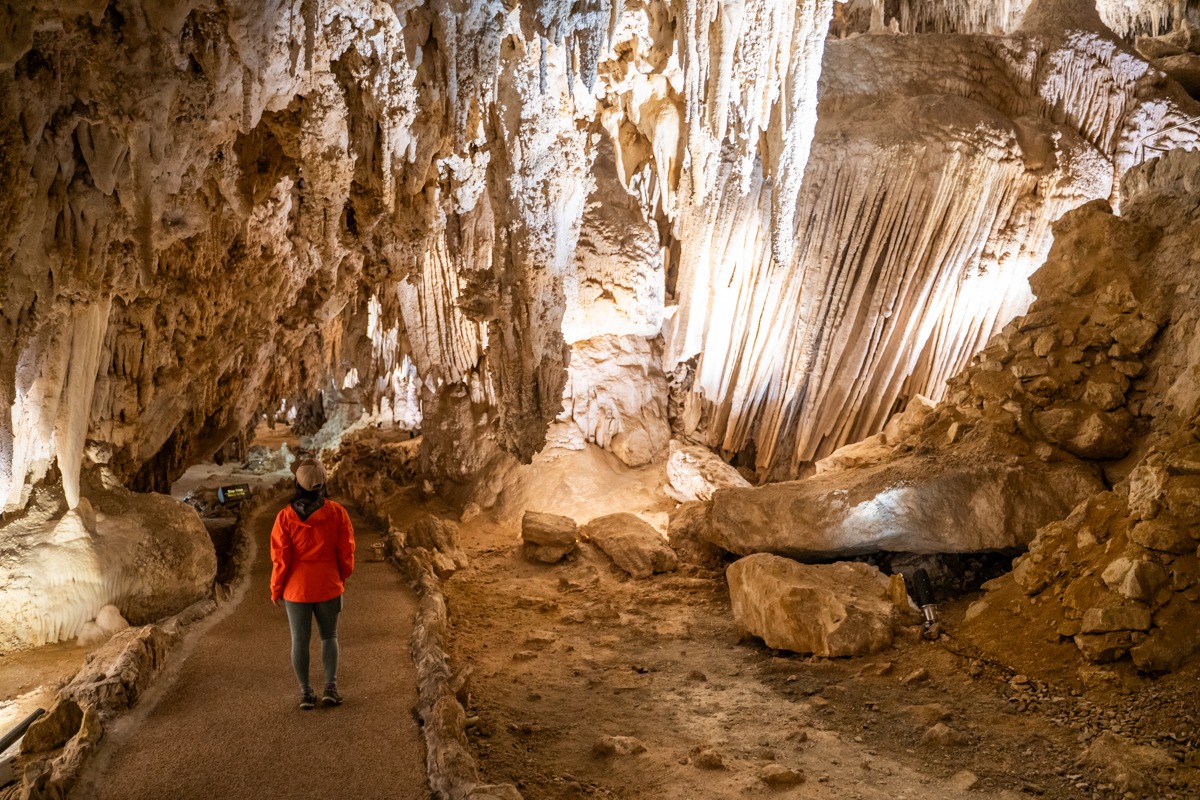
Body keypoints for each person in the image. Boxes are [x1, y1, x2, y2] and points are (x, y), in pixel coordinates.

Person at [270, 458, 355, 710]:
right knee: (329, 636)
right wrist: (341, 576)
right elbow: (347, 551)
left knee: (299, 640)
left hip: (296, 589)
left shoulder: (285, 517)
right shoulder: (337, 513)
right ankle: (330, 688)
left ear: (298, 483)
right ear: (323, 483)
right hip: (328, 583)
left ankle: (306, 693)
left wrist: (276, 588)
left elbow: (280, 558)